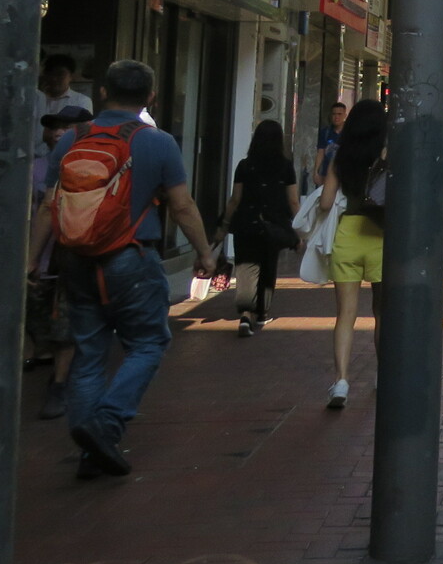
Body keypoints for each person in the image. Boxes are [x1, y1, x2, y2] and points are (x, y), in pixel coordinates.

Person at [33, 60, 216, 478]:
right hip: (131, 258)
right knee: (149, 343)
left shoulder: (72, 138)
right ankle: (105, 425)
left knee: (89, 352)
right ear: (150, 97)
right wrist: (204, 253)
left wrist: (31, 259)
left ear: (102, 92)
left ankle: (87, 444)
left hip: (75, 260)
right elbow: (182, 206)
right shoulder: (158, 142)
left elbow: (48, 206)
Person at [25, 105, 95, 419]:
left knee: (65, 323)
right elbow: (33, 210)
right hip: (43, 255)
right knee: (41, 320)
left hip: (72, 253)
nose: (56, 133)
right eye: (54, 127)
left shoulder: (93, 162)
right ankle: (47, 361)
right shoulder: (35, 167)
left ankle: (59, 383)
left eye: (65, 127)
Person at [318, 98, 387, 410]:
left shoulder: (340, 156)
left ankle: (341, 381)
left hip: (347, 236)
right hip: (380, 237)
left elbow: (325, 202)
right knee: (381, 313)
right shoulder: (387, 154)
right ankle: (382, 375)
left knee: (345, 315)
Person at [216, 120, 300, 337]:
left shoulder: (244, 165)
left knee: (246, 267)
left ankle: (246, 313)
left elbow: (235, 199)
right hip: (273, 226)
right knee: (268, 267)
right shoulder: (286, 166)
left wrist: (224, 224)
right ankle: (261, 313)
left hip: (246, 223)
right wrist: (299, 229)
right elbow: (293, 202)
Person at [32, 53, 94, 159]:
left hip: (66, 157)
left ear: (71, 76)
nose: (55, 79)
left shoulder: (81, 100)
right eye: (51, 74)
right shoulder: (36, 98)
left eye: (60, 75)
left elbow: (82, 132)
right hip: (34, 156)